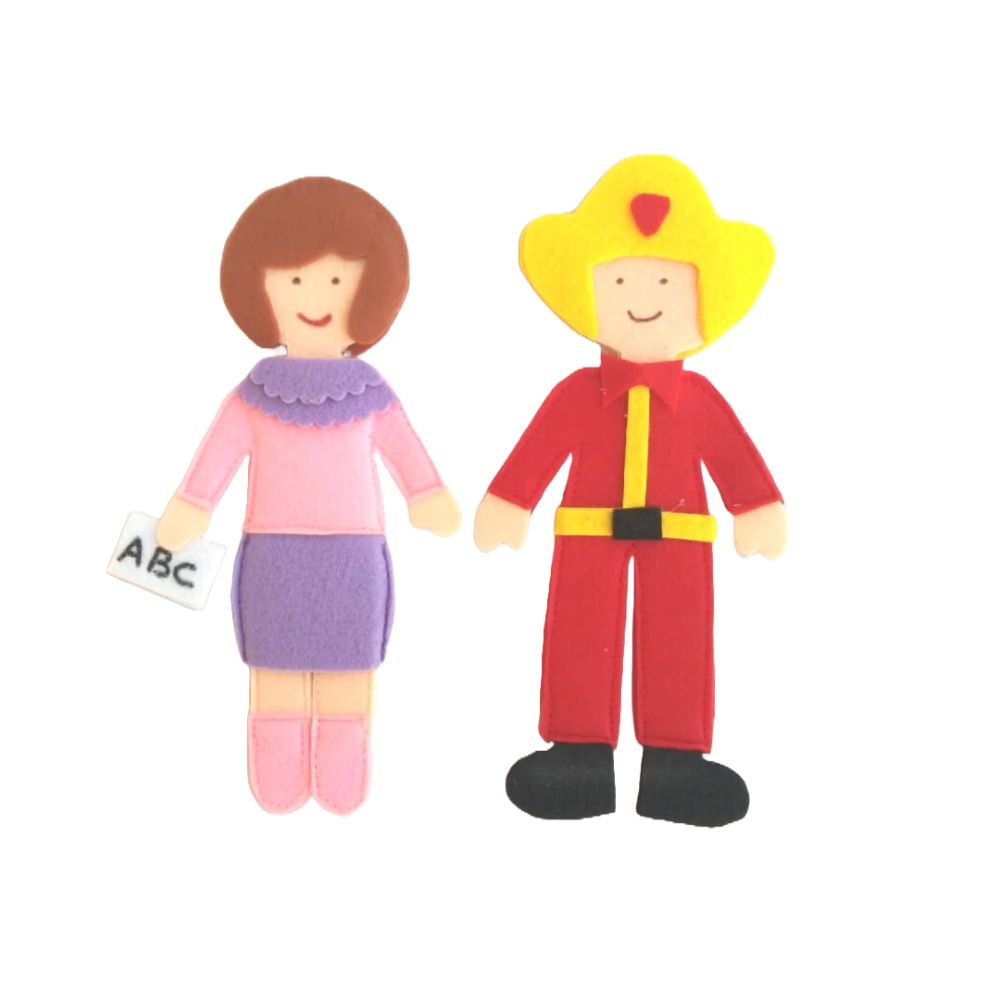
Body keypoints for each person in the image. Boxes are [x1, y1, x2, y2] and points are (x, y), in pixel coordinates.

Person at [474, 155, 787, 826]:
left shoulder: (699, 399)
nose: (643, 295)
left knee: (680, 632)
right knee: (579, 629)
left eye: (668, 280)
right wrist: (510, 502)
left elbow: (732, 455)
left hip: (680, 537)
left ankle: (675, 763)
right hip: (589, 532)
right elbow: (539, 449)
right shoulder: (577, 393)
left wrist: (756, 507)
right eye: (618, 279)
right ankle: (579, 756)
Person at [158, 177, 461, 815]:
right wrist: (192, 505)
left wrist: (426, 494)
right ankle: (278, 762)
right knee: (274, 662)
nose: (315, 297)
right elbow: (218, 454)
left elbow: (403, 447)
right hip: (275, 556)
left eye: (335, 279)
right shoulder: (254, 394)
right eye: (294, 280)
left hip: (352, 557)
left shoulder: (369, 391)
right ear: (260, 288)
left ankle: (341, 764)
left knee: (351, 660)